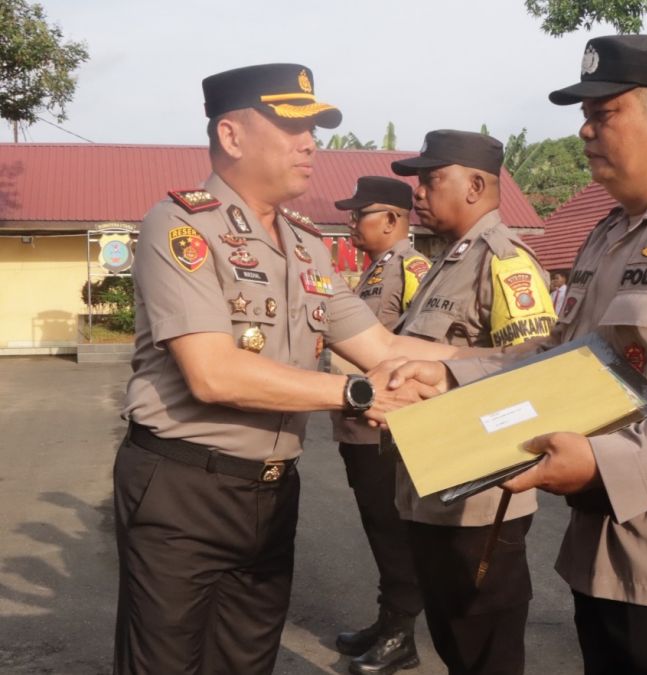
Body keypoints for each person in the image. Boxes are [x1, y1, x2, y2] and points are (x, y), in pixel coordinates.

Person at [379, 35, 647, 674]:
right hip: (602, 550)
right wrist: (449, 375)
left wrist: (604, 464)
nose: (583, 130)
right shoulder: (608, 235)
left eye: (603, 113)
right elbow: (560, 356)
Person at [114, 63, 462, 675]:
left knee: (248, 659)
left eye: (315, 127)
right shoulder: (180, 225)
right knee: (167, 662)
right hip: (182, 486)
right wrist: (356, 394)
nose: (311, 142)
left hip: (272, 489)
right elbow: (213, 374)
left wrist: (523, 361)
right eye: (291, 124)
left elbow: (382, 347)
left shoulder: (307, 244)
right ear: (231, 135)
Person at [389, 129, 557, 674]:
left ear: (476, 185)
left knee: (486, 646)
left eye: (432, 179)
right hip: (433, 479)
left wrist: (437, 362)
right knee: (453, 639)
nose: (418, 192)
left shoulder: (503, 260)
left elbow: (536, 366)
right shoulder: (447, 260)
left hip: (482, 494)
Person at [329, 176, 431, 674]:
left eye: (359, 214)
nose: (352, 223)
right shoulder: (374, 270)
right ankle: (386, 621)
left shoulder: (414, 269)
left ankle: (400, 635)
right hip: (358, 426)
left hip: (386, 429)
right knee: (377, 527)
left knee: (393, 531)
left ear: (392, 220)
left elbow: (416, 345)